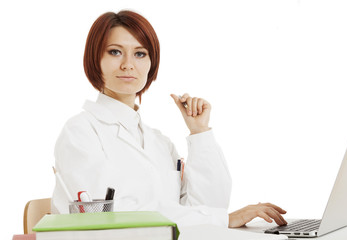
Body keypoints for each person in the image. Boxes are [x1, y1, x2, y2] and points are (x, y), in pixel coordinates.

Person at [51, 9, 287, 228]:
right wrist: (223, 219)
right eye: (115, 52)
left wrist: (200, 133)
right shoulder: (79, 132)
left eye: (140, 54)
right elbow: (111, 216)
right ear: (95, 59)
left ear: (151, 64)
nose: (128, 65)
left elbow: (209, 209)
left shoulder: (160, 143)